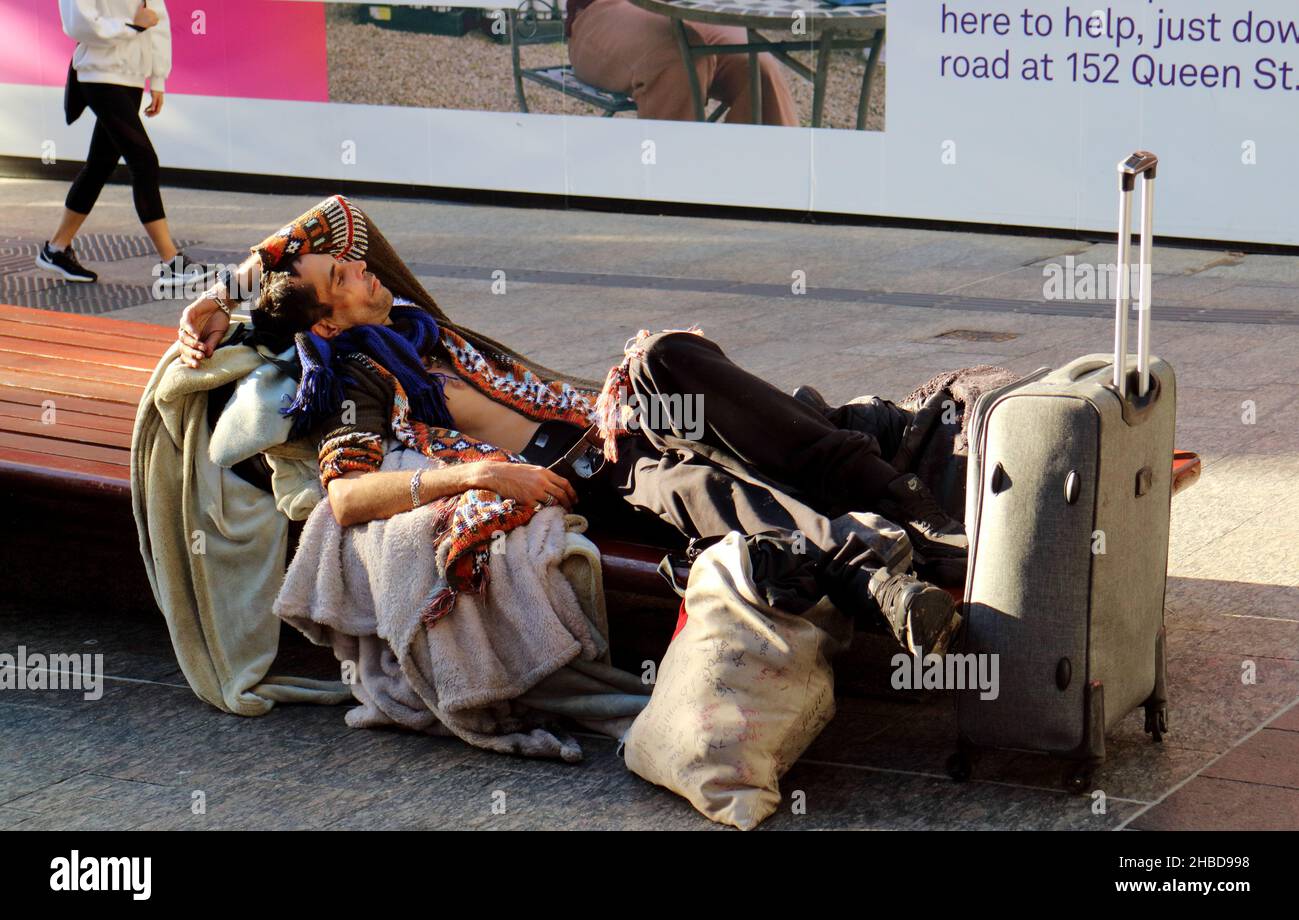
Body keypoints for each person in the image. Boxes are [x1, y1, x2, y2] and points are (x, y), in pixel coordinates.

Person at [176, 197, 966, 655]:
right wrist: (480, 474)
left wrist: (229, 285)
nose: (358, 266)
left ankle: (894, 494)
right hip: (599, 469)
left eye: (347, 263)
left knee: (666, 354)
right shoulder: (358, 374)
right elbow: (346, 499)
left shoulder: (412, 318)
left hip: (613, 412)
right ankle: (881, 577)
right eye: (338, 277)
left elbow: (341, 214)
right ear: (325, 322)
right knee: (697, 484)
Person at [37, 0, 208, 289]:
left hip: (131, 78)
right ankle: (171, 262)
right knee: (143, 161)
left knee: (100, 165)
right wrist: (131, 27)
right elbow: (78, 23)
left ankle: (56, 249)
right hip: (98, 73)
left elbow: (158, 19)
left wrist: (158, 79)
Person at [565, 0, 798, 126]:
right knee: (678, 61)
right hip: (606, 8)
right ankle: (672, 191)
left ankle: (767, 188)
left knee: (757, 65)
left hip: (692, 8)